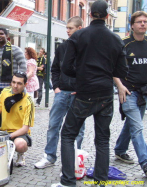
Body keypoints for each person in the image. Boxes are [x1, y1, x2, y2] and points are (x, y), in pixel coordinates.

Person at [51, 1, 128, 186]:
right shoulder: (116, 39)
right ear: (107, 16)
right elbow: (122, 72)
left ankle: (68, 180)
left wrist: (83, 75)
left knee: (68, 134)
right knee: (102, 138)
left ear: (90, 15)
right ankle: (100, 182)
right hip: (105, 94)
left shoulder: (79, 36)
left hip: (85, 92)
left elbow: (66, 67)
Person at [34, 16, 85, 169]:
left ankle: (74, 161)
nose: (67, 31)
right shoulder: (62, 48)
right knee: (53, 125)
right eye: (67, 28)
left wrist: (82, 89)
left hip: (78, 95)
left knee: (78, 128)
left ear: (79, 28)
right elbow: (55, 69)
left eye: (70, 28)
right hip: (62, 92)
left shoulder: (86, 48)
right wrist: (56, 87)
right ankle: (49, 157)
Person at [114, 11, 147, 175]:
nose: (143, 24)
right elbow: (112, 66)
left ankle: (120, 149)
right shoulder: (124, 44)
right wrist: (119, 85)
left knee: (132, 124)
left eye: (145, 22)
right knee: (137, 127)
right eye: (139, 22)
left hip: (143, 93)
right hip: (128, 91)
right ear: (132, 25)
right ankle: (145, 162)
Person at [0, 72, 35, 167]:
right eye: (13, 82)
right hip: (4, 131)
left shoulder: (28, 100)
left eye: (19, 83)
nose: (15, 86)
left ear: (25, 85)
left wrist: (9, 137)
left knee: (20, 144)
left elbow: (25, 128)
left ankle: (20, 154)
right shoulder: (5, 92)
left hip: (20, 134)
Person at [0, 28, 26, 125]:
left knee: (12, 110)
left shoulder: (15, 49)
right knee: (0, 112)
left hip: (11, 87)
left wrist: (19, 80)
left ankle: (14, 133)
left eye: (2, 34)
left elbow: (23, 65)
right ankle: (3, 131)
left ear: (7, 36)